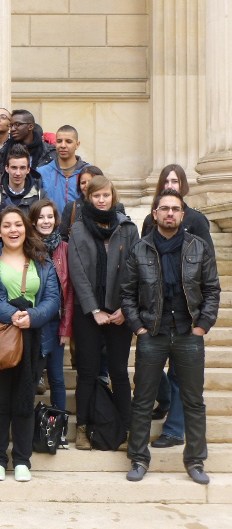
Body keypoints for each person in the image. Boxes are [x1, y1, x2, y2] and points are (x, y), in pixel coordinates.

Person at [120, 189, 220, 485]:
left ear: (182, 214)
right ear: (155, 214)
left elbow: (212, 290)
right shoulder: (140, 249)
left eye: (175, 209)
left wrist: (202, 325)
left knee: (193, 400)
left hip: (189, 333)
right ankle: (138, 458)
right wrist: (138, 326)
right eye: (164, 209)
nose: (170, 214)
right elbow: (126, 294)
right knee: (143, 400)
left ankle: (195, 460)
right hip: (153, 333)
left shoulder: (199, 247)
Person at [0, 207, 60, 482]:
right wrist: (10, 314)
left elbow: (53, 299)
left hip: (34, 341)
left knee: (24, 400)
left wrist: (32, 317)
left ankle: (22, 460)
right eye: (6, 225)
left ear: (26, 228)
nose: (13, 230)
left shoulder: (42, 260)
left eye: (17, 225)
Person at [140, 164, 215, 448]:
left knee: (180, 377)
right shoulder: (151, 220)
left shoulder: (195, 220)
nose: (170, 184)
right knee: (157, 371)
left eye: (175, 180)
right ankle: (166, 401)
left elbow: (208, 268)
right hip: (156, 315)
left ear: (183, 185)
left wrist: (202, 322)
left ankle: (173, 430)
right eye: (166, 181)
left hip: (186, 316)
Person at [68, 176, 139, 449]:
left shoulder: (127, 227)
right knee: (87, 372)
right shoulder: (78, 228)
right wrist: (94, 309)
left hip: (120, 312)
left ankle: (128, 430)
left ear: (113, 196)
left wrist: (125, 307)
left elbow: (135, 271)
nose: (101, 200)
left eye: (106, 195)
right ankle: (84, 430)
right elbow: (78, 272)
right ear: (88, 198)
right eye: (96, 195)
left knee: (119, 372)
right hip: (88, 312)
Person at [29, 198, 74, 448]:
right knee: (31, 375)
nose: (45, 222)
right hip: (33, 322)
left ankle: (58, 430)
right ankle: (28, 428)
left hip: (56, 323)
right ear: (33, 220)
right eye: (41, 217)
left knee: (56, 377)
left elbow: (69, 291)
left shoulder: (64, 248)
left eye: (50, 217)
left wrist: (67, 328)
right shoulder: (26, 247)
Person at [37, 125, 89, 215]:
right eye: (59, 141)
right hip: (51, 227)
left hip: (80, 227)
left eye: (68, 142)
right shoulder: (42, 172)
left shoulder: (89, 172)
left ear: (77, 145)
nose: (63, 145)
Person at [58, 165, 104, 239]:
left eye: (91, 181)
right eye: (83, 183)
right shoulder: (71, 207)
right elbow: (63, 238)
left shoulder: (115, 206)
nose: (87, 185)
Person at [0, 144, 47, 215]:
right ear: (6, 168)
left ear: (28, 169)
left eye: (22, 168)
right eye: (14, 168)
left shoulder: (40, 196)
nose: (18, 173)